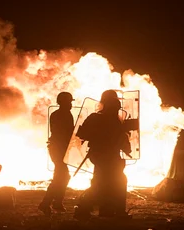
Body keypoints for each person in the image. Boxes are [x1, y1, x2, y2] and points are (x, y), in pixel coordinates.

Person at [73, 90, 132, 220]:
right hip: (103, 155)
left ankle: (107, 209)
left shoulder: (107, 119)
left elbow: (121, 137)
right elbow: (82, 134)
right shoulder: (101, 118)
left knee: (107, 182)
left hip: (105, 155)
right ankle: (86, 207)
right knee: (108, 183)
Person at [38, 92, 75, 215]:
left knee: (62, 175)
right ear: (64, 103)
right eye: (69, 102)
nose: (70, 105)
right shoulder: (64, 115)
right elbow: (66, 132)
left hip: (57, 148)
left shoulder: (59, 114)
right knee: (61, 175)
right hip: (58, 148)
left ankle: (55, 203)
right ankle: (47, 203)